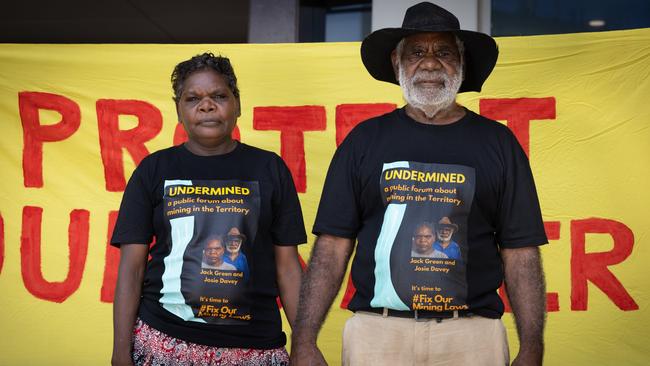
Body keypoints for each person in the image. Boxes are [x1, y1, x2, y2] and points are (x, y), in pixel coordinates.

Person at [290, 2, 547, 366]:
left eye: (443, 52)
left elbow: (521, 253)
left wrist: (532, 347)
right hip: (377, 336)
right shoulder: (364, 141)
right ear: (397, 64)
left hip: (472, 337)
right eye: (416, 53)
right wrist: (304, 339)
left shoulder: (498, 144)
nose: (429, 63)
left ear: (461, 63)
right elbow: (332, 246)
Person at [111, 52, 306, 366]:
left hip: (254, 346)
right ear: (179, 110)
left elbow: (288, 268)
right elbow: (131, 269)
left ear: (237, 104)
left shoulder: (269, 168)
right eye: (193, 98)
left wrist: (305, 343)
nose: (206, 105)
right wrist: (121, 351)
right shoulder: (153, 169)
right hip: (164, 340)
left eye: (219, 96)